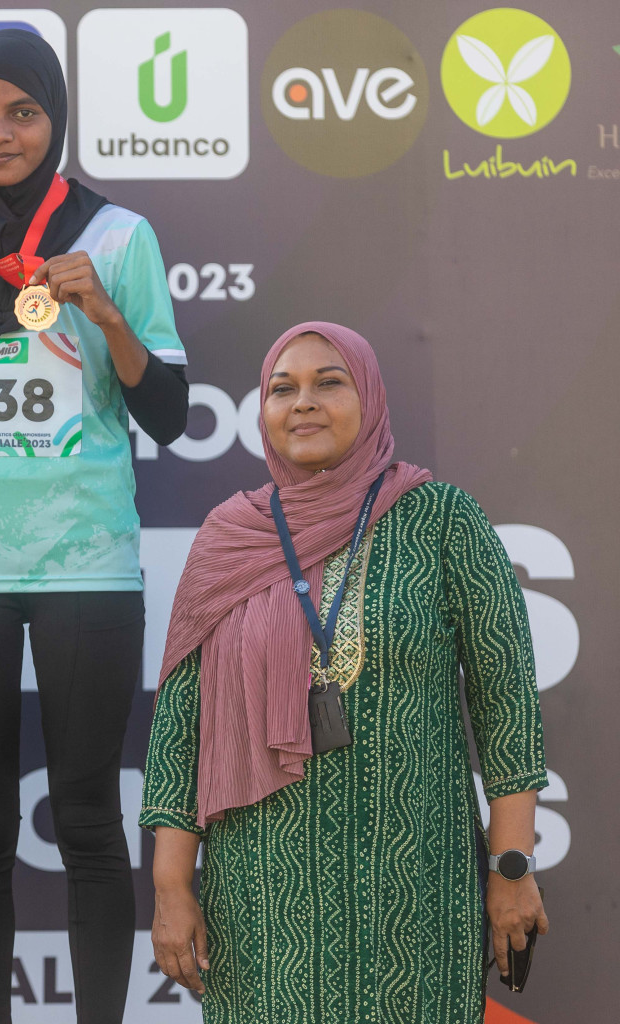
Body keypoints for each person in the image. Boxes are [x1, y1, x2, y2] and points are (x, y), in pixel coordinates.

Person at [0, 30, 189, 1023]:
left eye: (22, 113)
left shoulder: (117, 238)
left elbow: (171, 413)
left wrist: (103, 314)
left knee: (92, 817)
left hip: (83, 557)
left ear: (56, 121)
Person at [141, 322, 550, 1023]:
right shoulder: (227, 539)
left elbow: (507, 703)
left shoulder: (441, 519)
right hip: (262, 901)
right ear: (262, 413)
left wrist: (510, 868)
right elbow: (182, 728)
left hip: (417, 892)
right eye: (282, 388)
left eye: (329, 383)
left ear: (370, 399)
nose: (303, 402)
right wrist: (172, 886)